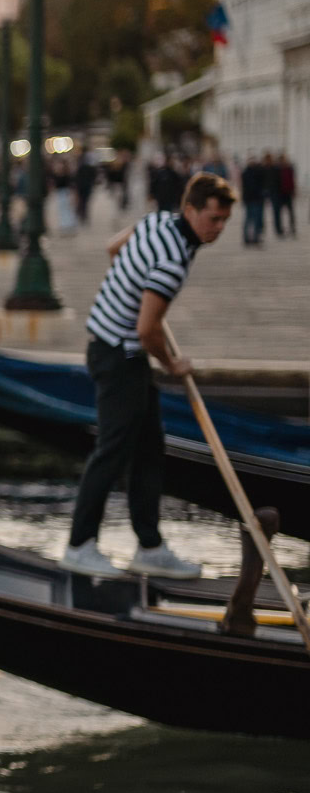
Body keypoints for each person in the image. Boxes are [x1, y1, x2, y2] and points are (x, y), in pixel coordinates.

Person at [61, 173, 236, 579]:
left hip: (117, 347)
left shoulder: (156, 222)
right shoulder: (173, 260)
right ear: (190, 210)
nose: (220, 228)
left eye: (225, 220)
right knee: (112, 450)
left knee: (148, 448)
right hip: (117, 354)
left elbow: (113, 248)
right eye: (214, 219)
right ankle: (78, 545)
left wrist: (135, 279)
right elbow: (147, 330)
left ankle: (150, 547)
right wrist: (173, 364)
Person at [241, 155, 268, 246]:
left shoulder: (255, 171)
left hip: (255, 198)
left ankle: (253, 238)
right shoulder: (247, 172)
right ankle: (248, 238)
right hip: (252, 198)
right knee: (250, 219)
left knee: (253, 219)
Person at [275, 154, 298, 237]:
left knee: (291, 212)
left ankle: (292, 228)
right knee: (279, 213)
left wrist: (294, 190)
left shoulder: (289, 168)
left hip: (288, 193)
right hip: (280, 194)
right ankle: (280, 230)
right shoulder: (277, 170)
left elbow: (292, 180)